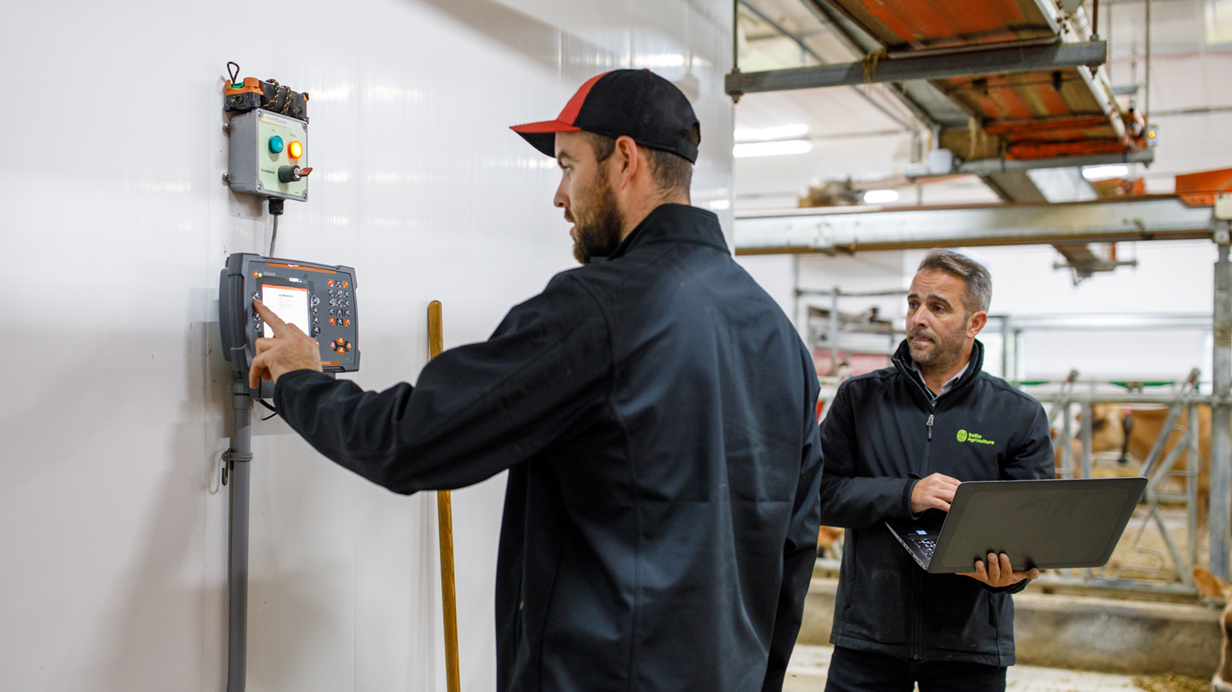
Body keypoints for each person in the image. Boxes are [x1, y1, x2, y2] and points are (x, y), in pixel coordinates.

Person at [248, 69, 823, 692]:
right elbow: (795, 547)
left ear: (624, 160)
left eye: (568, 166)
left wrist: (300, 379)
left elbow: (410, 441)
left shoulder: (600, 310)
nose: (559, 196)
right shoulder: (778, 336)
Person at [818, 249, 1052, 692]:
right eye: (913, 303)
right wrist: (906, 494)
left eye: (938, 307)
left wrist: (1011, 579)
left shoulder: (1017, 415)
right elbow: (818, 493)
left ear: (975, 323)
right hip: (867, 643)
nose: (918, 318)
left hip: (970, 647)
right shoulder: (859, 399)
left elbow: (1031, 529)